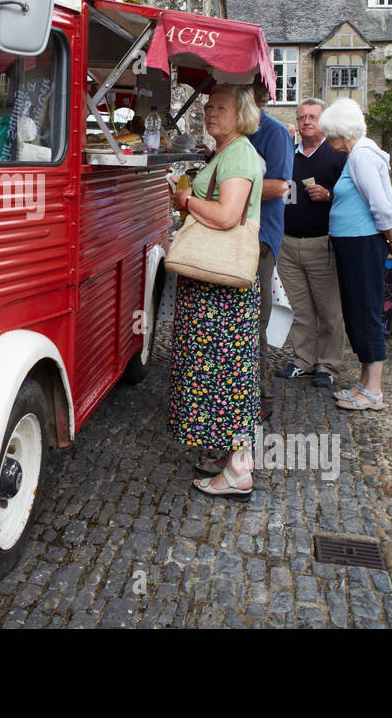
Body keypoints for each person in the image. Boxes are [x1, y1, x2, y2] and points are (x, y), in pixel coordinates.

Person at [169, 83, 264, 498]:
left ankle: (240, 470)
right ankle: (231, 456)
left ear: (241, 114)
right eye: (209, 107)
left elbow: (227, 216)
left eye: (221, 108)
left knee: (231, 374)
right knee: (219, 371)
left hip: (222, 289)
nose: (211, 114)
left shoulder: (240, 153)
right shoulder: (228, 152)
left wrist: (187, 201)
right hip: (213, 286)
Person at [320, 98, 392, 410]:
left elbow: (381, 204)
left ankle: (374, 388)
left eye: (330, 134)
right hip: (354, 242)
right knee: (357, 311)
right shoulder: (358, 155)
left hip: (363, 243)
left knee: (365, 311)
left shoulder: (362, 156)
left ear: (341, 131)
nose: (328, 140)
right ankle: (366, 381)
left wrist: (391, 237)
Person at [275, 98, 346, 389]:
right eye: (302, 116)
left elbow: (355, 197)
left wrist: (329, 195)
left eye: (313, 117)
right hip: (288, 242)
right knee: (300, 309)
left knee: (329, 310)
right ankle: (303, 360)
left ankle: (328, 365)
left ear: (324, 121)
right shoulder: (288, 155)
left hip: (323, 242)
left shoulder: (337, 155)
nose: (306, 122)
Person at [246, 80, 294, 419]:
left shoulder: (273, 132)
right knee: (241, 319)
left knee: (255, 319)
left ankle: (261, 398)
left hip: (261, 239)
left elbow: (279, 187)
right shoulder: (242, 132)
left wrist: (227, 186)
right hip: (239, 235)